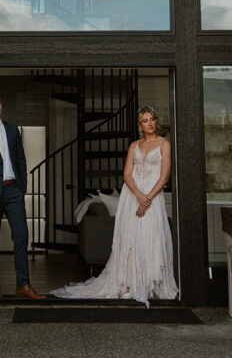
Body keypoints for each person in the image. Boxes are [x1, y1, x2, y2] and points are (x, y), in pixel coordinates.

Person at [51, 105, 178, 306]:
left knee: (150, 238)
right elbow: (127, 174)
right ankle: (129, 283)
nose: (149, 123)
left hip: (154, 196)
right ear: (140, 125)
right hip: (132, 196)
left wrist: (148, 198)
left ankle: (149, 284)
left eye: (152, 119)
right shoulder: (134, 145)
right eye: (145, 121)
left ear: (156, 121)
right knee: (130, 239)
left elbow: (165, 176)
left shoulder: (165, 144)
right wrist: (139, 195)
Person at [0, 91, 45, 299]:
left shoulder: (13, 130)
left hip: (13, 190)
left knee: (22, 236)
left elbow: (21, 160)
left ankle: (23, 285)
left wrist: (21, 187)